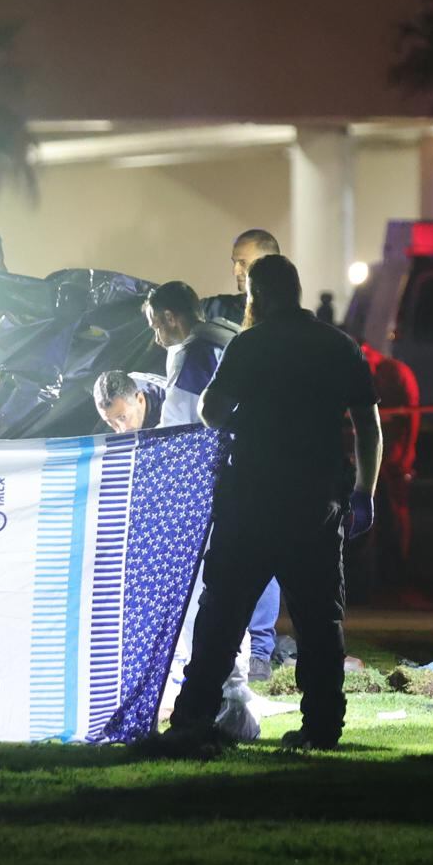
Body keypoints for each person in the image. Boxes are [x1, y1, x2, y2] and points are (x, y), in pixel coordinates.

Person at [166, 255, 381, 751]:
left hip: (252, 503)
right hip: (316, 503)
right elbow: (368, 426)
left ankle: (192, 718)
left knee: (221, 616)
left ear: (256, 297)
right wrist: (364, 493)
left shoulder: (249, 344)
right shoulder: (339, 346)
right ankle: (322, 726)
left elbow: (212, 412)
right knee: (319, 621)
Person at [198, 228, 288, 669]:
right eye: (234, 261)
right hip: (234, 458)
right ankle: (237, 649)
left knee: (265, 556)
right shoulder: (216, 313)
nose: (236, 270)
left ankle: (259, 648)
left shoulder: (276, 330)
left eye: (246, 263)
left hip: (272, 461)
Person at [358, 340, 421, 602]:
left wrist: (400, 459)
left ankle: (393, 577)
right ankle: (384, 577)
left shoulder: (391, 374)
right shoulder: (387, 372)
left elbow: (402, 421)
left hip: (392, 458)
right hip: (388, 457)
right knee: (386, 516)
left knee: (393, 516)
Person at [144, 280, 236, 430]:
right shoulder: (228, 330)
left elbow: (174, 425)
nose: (157, 339)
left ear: (169, 318)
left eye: (157, 328)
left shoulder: (190, 357)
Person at [201, 228, 280, 326]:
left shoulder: (291, 322)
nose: (235, 272)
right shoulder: (216, 308)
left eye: (243, 263)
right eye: (234, 262)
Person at [93, 368, 166, 433]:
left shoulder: (171, 410)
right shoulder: (114, 410)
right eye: (110, 422)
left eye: (122, 418)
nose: (119, 432)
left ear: (140, 400)